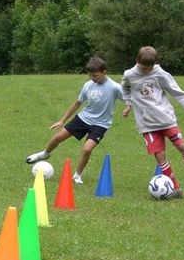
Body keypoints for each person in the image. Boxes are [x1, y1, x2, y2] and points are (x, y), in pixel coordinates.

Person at [121, 46, 184, 198]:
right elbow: (125, 88)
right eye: (144, 67)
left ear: (154, 64)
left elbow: (174, 89)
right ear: (137, 61)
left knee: (182, 146)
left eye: (149, 68)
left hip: (166, 119)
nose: (146, 70)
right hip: (147, 124)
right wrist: (128, 103)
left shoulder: (160, 73)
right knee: (160, 155)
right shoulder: (129, 75)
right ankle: (175, 188)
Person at [26, 56, 123, 184]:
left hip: (100, 124)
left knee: (87, 149)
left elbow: (128, 99)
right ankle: (45, 154)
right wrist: (62, 120)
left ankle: (77, 175)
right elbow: (77, 103)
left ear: (104, 72)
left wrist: (128, 106)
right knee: (57, 137)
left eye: (95, 75)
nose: (93, 78)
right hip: (83, 118)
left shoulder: (114, 87)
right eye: (90, 75)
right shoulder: (88, 85)